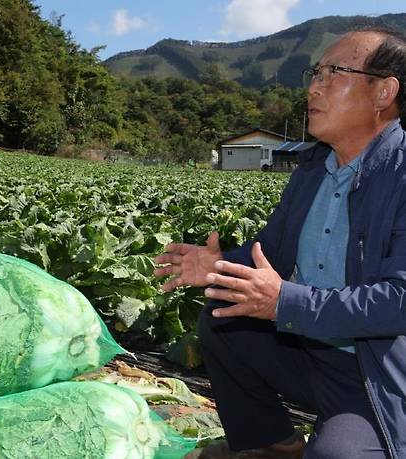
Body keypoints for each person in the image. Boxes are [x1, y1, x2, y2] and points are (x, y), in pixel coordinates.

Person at [156, 29, 406, 459]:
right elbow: (270, 254)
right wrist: (219, 265)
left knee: (336, 455)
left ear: (383, 92)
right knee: (223, 315)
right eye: (315, 73)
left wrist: (285, 305)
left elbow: (399, 299)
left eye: (333, 73)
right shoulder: (311, 170)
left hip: (376, 373)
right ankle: (274, 444)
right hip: (306, 350)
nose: (313, 86)